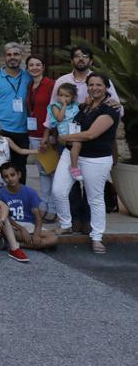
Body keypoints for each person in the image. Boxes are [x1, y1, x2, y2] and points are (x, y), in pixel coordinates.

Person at [53, 72, 121, 254]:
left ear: (106, 87)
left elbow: (91, 134)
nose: (94, 88)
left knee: (95, 198)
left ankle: (97, 236)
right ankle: (66, 223)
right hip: (71, 153)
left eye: (98, 85)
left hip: (96, 158)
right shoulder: (85, 107)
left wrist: (65, 137)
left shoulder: (111, 109)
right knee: (58, 190)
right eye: (91, 85)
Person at [0, 42, 30, 181]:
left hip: (22, 130)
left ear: (21, 56)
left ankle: (20, 201)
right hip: (1, 131)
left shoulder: (28, 77)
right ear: (4, 57)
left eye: (16, 54)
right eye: (9, 54)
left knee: (20, 169)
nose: (12, 57)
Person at [25, 54, 57, 219]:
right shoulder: (30, 85)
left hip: (48, 135)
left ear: (44, 67)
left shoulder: (51, 85)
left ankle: (52, 207)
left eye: (38, 64)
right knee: (42, 172)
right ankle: (44, 204)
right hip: (33, 133)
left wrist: (48, 134)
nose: (35, 68)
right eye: (31, 65)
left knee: (51, 171)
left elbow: (55, 110)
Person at [0, 163, 57, 250]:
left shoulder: (30, 192)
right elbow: (3, 216)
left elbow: (38, 217)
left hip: (30, 225)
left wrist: (36, 234)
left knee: (54, 238)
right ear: (3, 179)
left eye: (12, 175)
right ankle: (38, 245)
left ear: (19, 175)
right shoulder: (1, 193)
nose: (10, 178)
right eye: (6, 176)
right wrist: (21, 229)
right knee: (6, 230)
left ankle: (18, 245)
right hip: (13, 226)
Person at [0, 118, 37, 190]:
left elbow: (20, 150)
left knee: (5, 191)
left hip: (4, 171)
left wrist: (36, 151)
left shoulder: (6, 140)